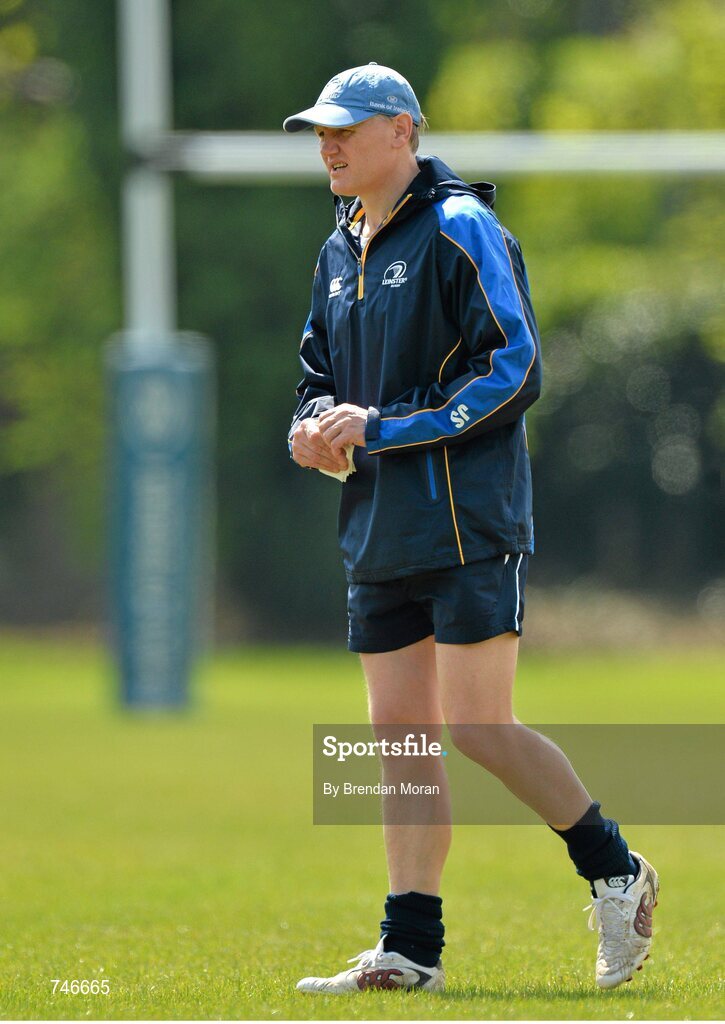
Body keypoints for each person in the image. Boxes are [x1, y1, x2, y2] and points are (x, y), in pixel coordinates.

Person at [284, 62, 658, 994]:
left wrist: (384, 429)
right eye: (319, 132)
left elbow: (514, 368)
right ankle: (409, 948)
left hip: (466, 521)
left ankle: (616, 870)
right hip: (375, 527)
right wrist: (312, 425)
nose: (328, 145)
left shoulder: (460, 228)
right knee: (399, 744)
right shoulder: (339, 246)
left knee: (477, 728)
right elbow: (316, 372)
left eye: (347, 128)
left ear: (403, 131)